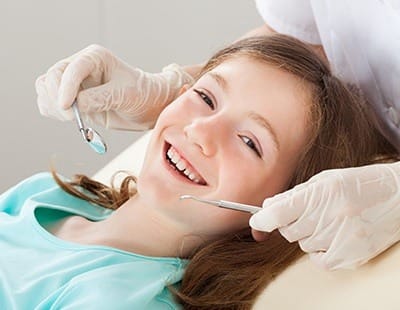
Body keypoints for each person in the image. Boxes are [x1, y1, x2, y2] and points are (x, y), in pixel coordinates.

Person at [7, 34, 395, 309]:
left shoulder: (119, 299)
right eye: (206, 97)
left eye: (249, 142)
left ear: (282, 208)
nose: (202, 131)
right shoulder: (45, 196)